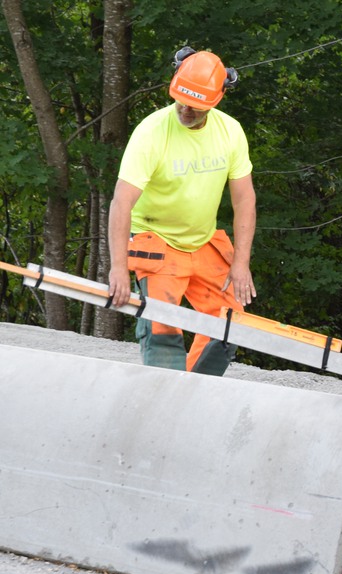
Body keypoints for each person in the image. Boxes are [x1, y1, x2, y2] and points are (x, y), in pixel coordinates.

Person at [107, 46, 257, 376]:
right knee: (161, 331)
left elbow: (244, 200)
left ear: (217, 99)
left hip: (203, 242)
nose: (186, 110)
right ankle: (163, 397)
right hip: (158, 241)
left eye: (197, 106)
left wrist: (242, 262)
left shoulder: (230, 132)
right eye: (182, 101)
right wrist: (118, 268)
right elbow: (121, 203)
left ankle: (192, 394)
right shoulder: (151, 132)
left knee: (229, 326)